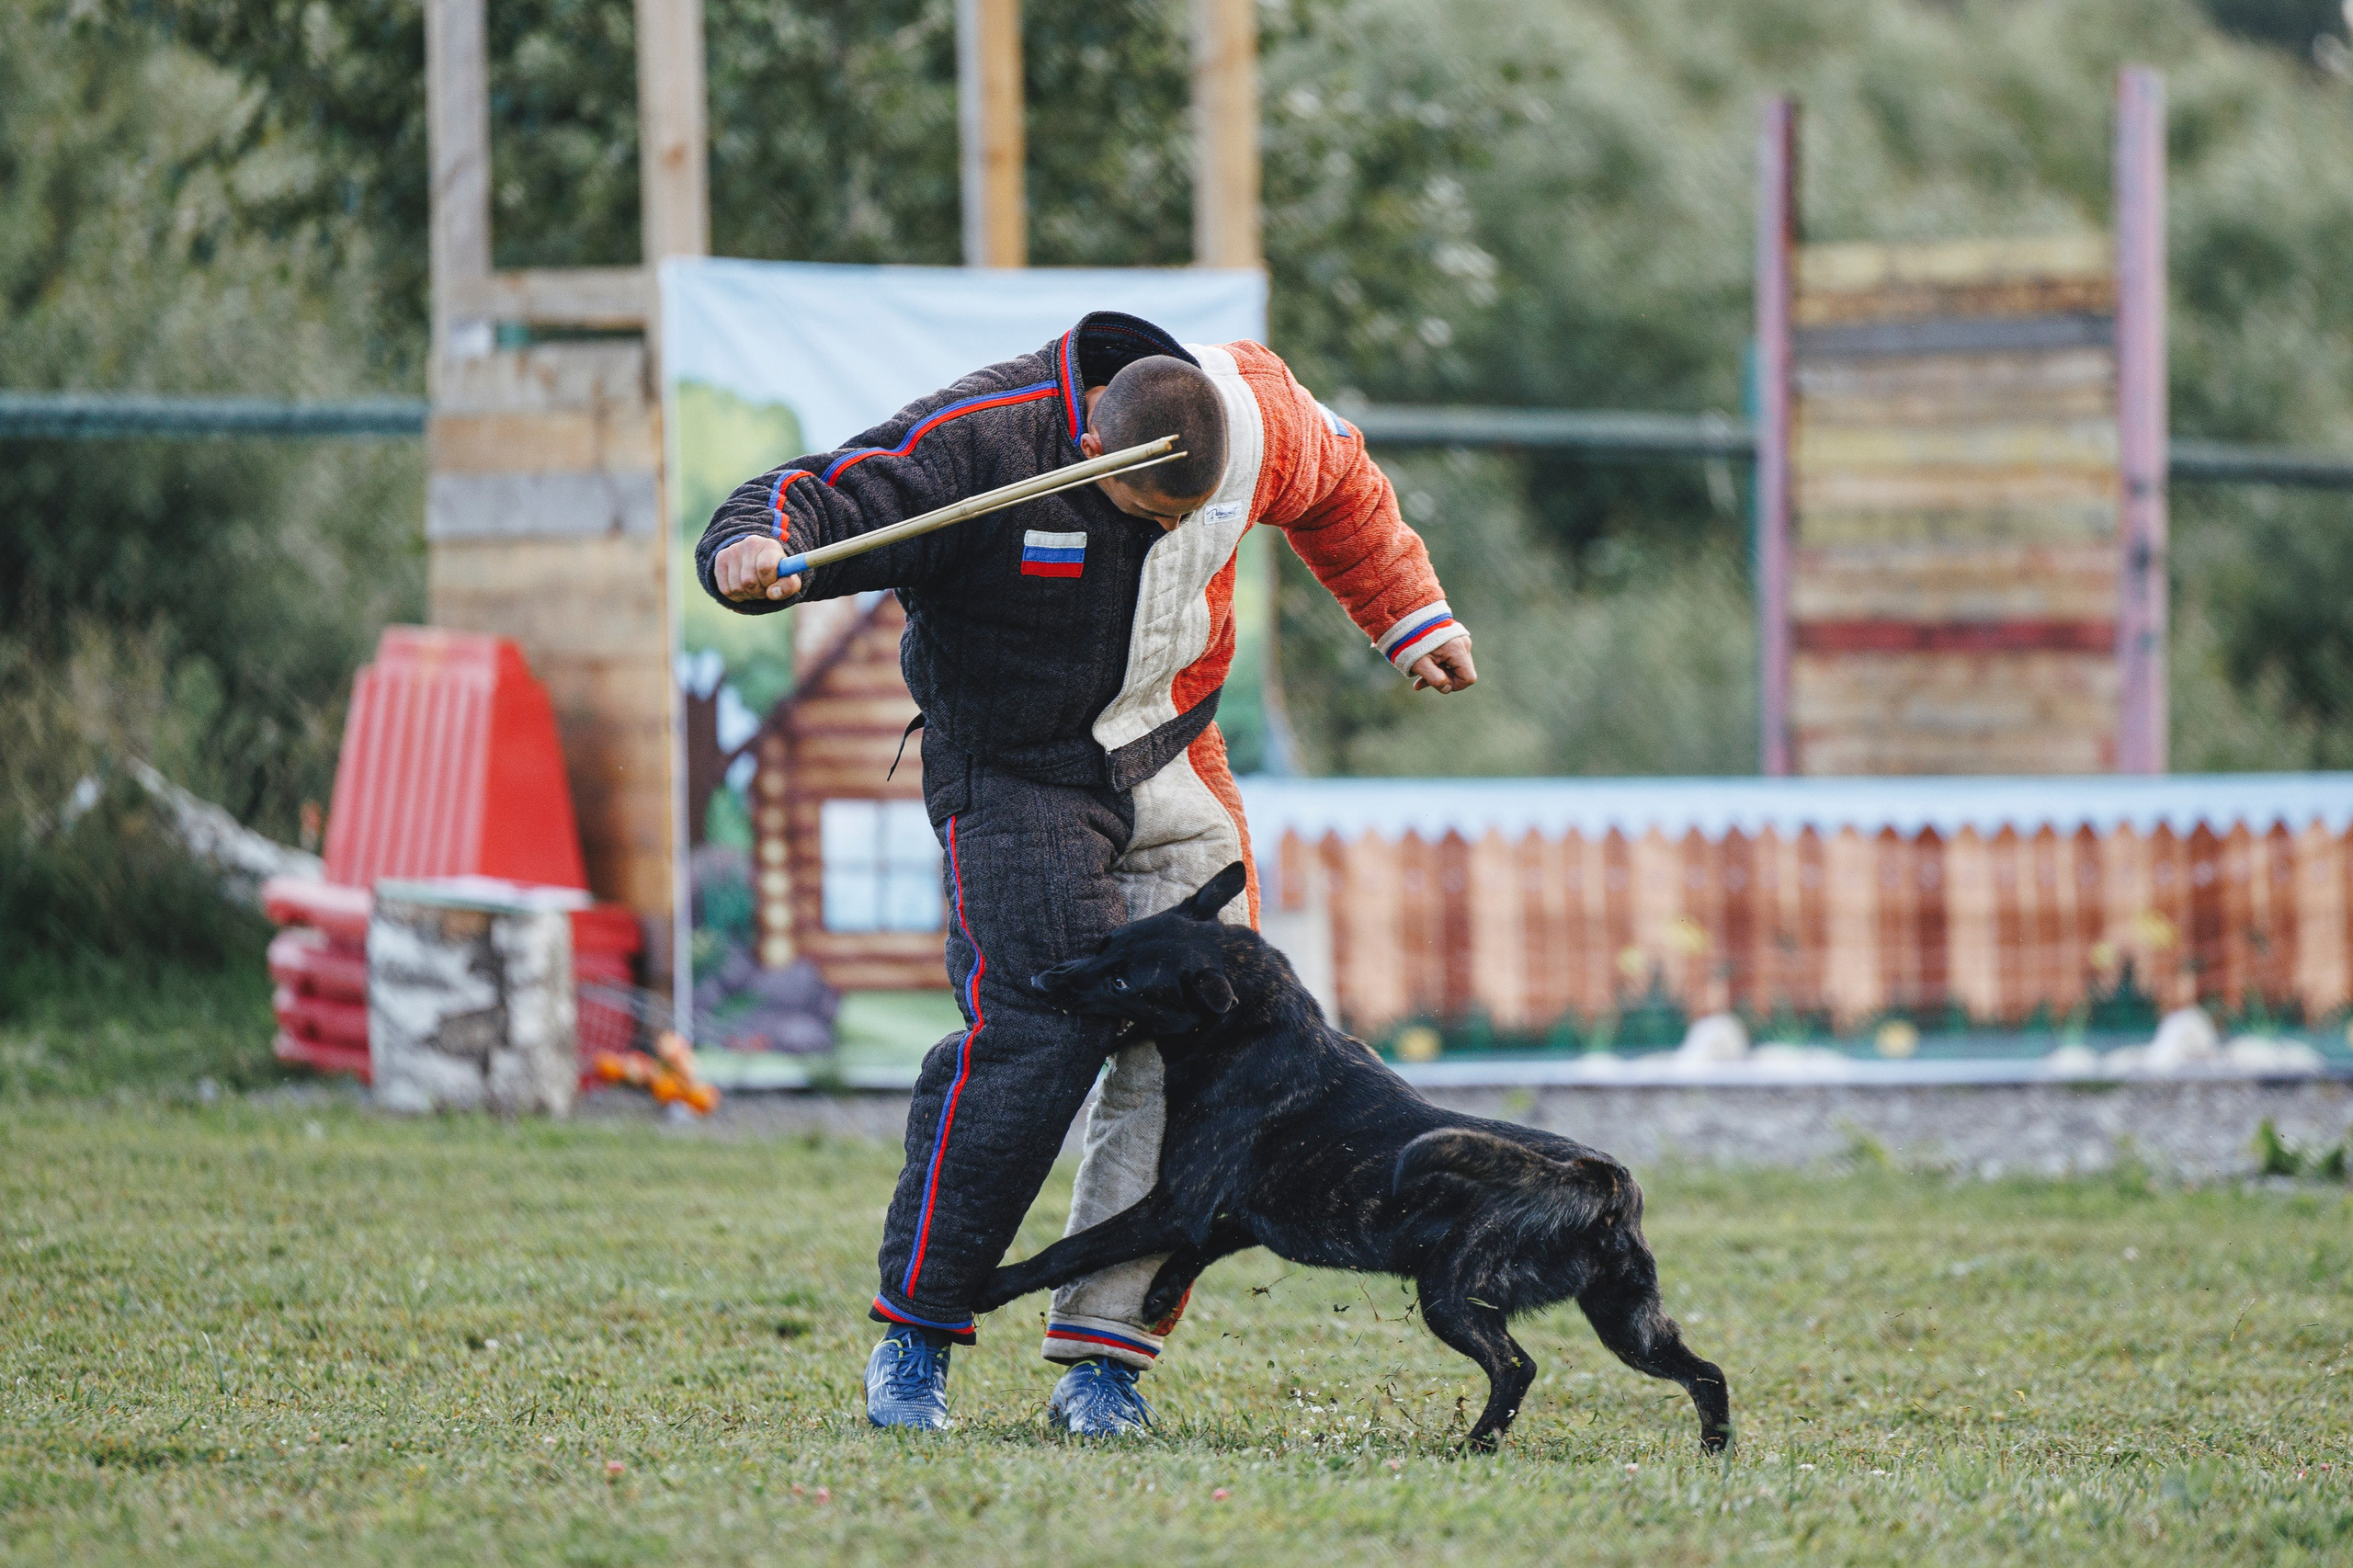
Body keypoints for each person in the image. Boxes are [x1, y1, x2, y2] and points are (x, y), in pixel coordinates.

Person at [699, 312, 1476, 1437]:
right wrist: (750, 554)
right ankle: (917, 1335)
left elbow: (1345, 486)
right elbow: (807, 498)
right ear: (1086, 451)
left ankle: (1104, 1362)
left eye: (1191, 516)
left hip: (1178, 755)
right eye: (1149, 514)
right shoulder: (983, 442)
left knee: (1223, 1041)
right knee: (1043, 1027)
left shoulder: (1260, 419)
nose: (1172, 528)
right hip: (1020, 778)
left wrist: (1407, 614)